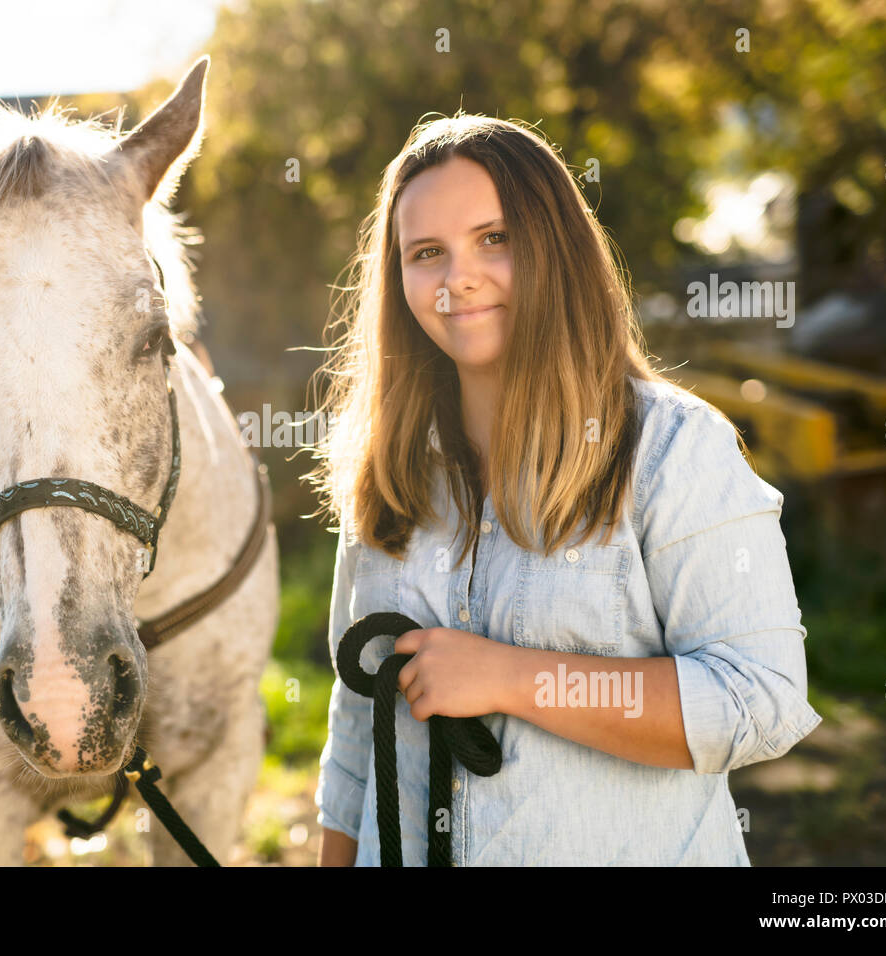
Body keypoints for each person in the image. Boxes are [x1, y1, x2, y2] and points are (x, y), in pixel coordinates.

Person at [305, 113, 821, 866]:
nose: (458, 278)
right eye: (426, 253)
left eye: (494, 238)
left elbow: (759, 702)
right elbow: (358, 722)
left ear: (555, 246)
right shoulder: (386, 467)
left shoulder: (672, 449)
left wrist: (512, 679)